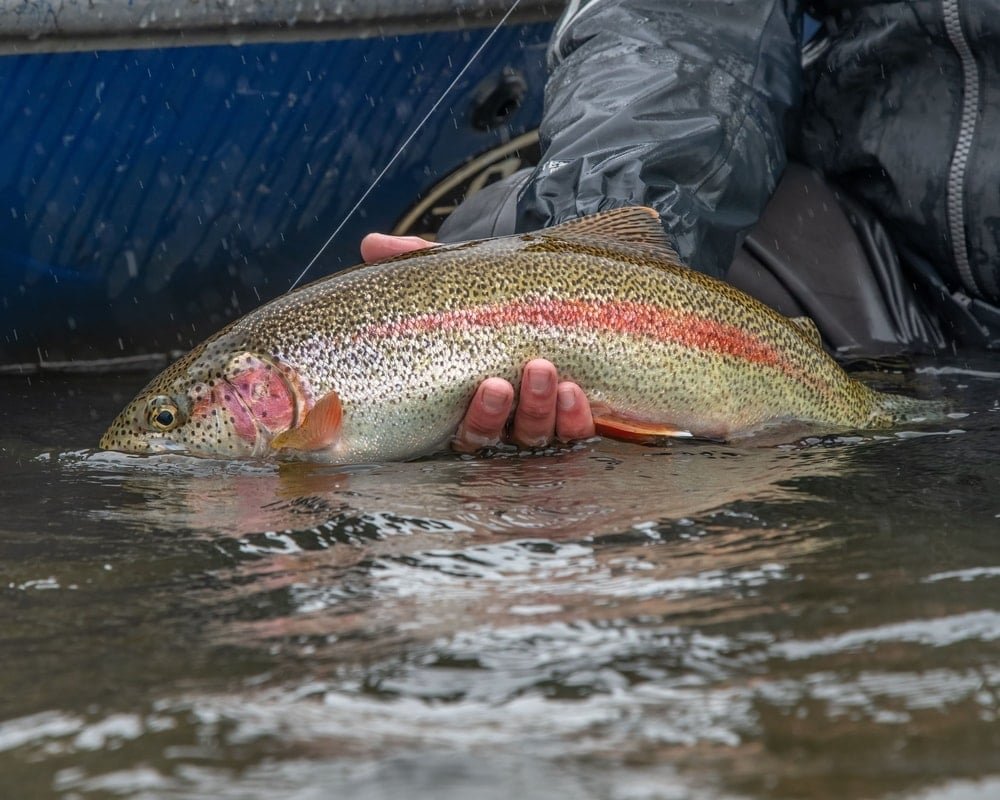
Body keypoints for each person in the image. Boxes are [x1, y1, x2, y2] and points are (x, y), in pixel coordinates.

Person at [362, 0, 1000, 452]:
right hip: (888, 261)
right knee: (496, 222)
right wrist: (582, 260)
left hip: (902, 301)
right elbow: (685, 23)